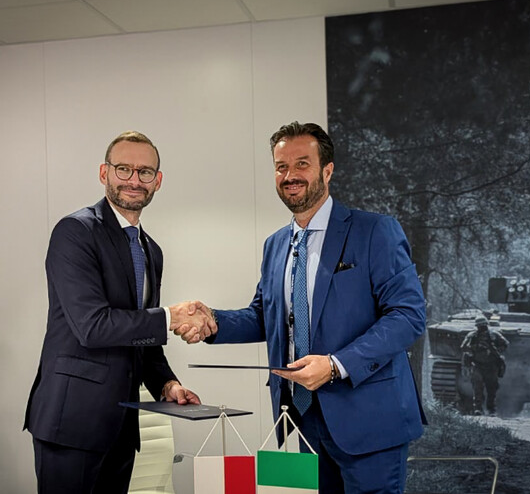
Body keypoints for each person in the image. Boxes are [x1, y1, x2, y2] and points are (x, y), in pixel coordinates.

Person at [178, 121, 427, 493]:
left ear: (327, 170)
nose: (290, 175)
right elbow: (265, 316)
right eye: (281, 167)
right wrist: (213, 321)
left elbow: (408, 315)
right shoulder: (275, 244)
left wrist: (335, 365)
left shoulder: (375, 231)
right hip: (303, 419)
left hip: (371, 420)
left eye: (302, 164)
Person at [24, 130, 214, 494]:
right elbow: (92, 326)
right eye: (123, 169)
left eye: (145, 172)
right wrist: (171, 317)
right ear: (104, 173)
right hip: (71, 423)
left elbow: (141, 336)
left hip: (122, 427)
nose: (133, 180)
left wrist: (166, 384)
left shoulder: (151, 250)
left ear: (157, 181)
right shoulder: (75, 232)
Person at [460, 315, 509, 416]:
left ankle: (491, 409)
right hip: (477, 364)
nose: (482, 327)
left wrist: (496, 351)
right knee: (477, 387)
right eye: (480, 326)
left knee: (492, 388)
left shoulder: (494, 335)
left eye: (483, 325)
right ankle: (478, 408)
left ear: (487, 325)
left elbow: (505, 344)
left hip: (491, 365)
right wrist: (473, 349)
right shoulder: (472, 336)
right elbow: (463, 347)